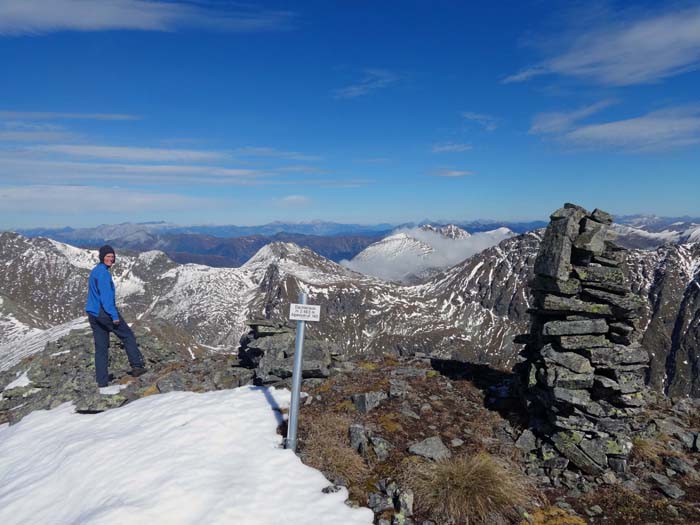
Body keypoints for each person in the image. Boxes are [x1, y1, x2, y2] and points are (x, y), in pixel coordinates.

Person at [85, 245, 146, 387]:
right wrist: (114, 316)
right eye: (108, 256)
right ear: (102, 257)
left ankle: (102, 381)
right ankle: (137, 366)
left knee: (101, 348)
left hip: (93, 314)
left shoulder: (95, 271)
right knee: (128, 336)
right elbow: (106, 298)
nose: (110, 259)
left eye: (112, 257)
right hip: (104, 313)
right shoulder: (104, 274)